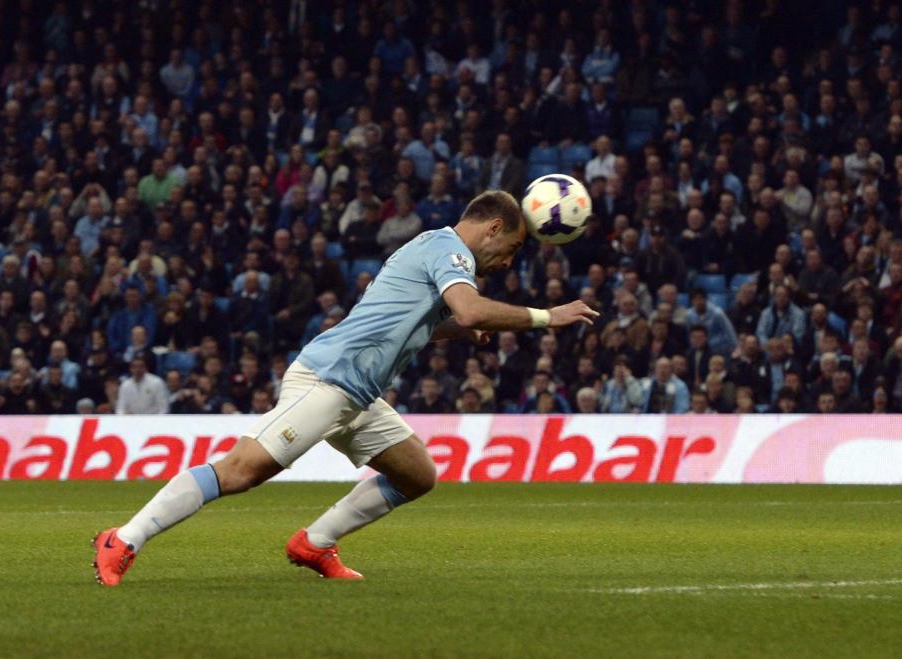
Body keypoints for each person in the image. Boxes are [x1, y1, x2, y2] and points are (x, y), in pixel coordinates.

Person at [93, 191, 598, 586]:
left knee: (416, 474)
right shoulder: (448, 251)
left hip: (356, 392)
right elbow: (469, 306)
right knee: (242, 471)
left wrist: (456, 330)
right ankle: (124, 538)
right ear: (492, 228)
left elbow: (416, 320)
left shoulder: (434, 251)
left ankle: (315, 542)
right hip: (328, 379)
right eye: (509, 250)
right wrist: (547, 317)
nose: (507, 262)